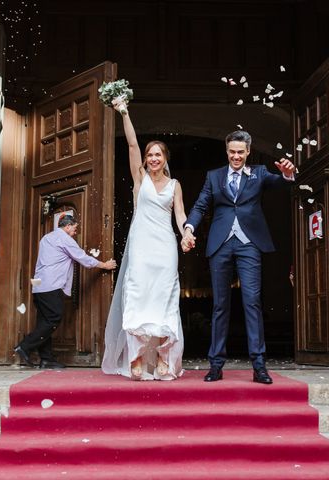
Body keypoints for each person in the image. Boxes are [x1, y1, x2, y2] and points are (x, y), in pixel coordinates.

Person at [182, 130, 295, 384]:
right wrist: (189, 228)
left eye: (240, 152)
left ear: (248, 152)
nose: (236, 156)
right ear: (227, 151)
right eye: (232, 152)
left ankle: (259, 366)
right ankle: (216, 365)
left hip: (249, 244)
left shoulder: (260, 173)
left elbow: (281, 182)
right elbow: (201, 204)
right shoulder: (214, 176)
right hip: (220, 244)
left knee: (252, 302)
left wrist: (287, 173)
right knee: (220, 305)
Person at [101, 99, 187, 381]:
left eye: (158, 155)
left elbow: (180, 214)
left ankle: (163, 356)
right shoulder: (140, 179)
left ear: (165, 159)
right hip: (141, 246)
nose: (152, 158)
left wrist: (187, 231)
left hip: (165, 247)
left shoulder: (174, 185)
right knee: (138, 295)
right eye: (150, 154)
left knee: (165, 298)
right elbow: (132, 145)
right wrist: (124, 112)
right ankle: (136, 355)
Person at [14, 214, 117, 369]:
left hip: (39, 286)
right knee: (53, 318)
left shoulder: (46, 238)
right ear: (67, 226)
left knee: (44, 321)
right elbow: (82, 258)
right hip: (52, 285)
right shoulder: (64, 239)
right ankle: (25, 346)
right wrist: (104, 265)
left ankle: (46, 359)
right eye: (75, 229)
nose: (75, 233)